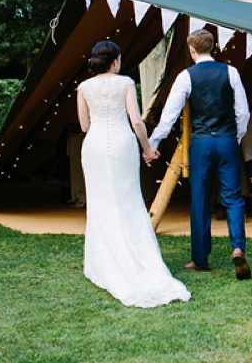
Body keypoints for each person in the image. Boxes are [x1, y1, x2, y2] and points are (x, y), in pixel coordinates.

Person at [76, 40, 190, 307]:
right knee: (127, 199)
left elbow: (84, 125)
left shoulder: (83, 87)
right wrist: (148, 147)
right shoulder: (125, 83)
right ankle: (134, 256)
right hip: (121, 144)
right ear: (115, 61)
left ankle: (103, 262)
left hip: (93, 146)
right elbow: (136, 120)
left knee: (101, 201)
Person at [148, 29, 252, 280]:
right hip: (227, 141)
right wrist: (234, 137)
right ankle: (237, 247)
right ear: (213, 47)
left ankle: (200, 258)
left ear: (192, 50)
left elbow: (169, 116)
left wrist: (153, 142)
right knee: (233, 198)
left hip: (202, 143)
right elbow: (243, 113)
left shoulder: (186, 76)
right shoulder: (231, 72)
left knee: (200, 199)